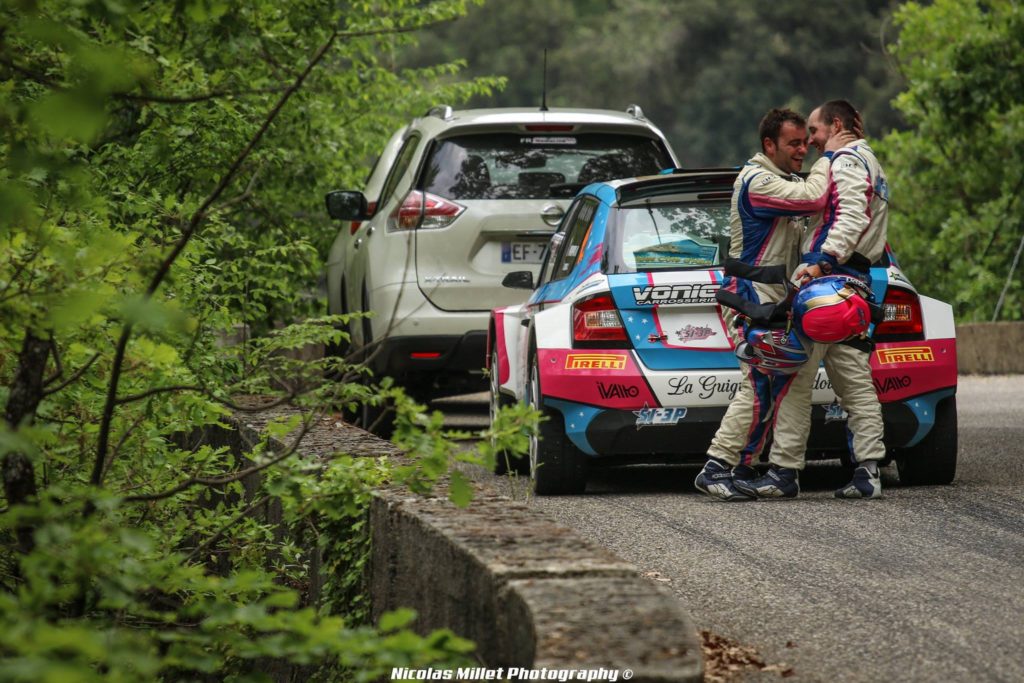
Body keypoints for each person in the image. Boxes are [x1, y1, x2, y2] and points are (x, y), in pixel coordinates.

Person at [694, 108, 853, 501]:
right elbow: (814, 196)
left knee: (787, 382)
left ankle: (776, 471)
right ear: (770, 145)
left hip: (777, 301)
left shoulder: (782, 178)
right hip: (750, 299)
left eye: (806, 141)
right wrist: (829, 158)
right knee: (758, 383)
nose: (803, 149)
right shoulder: (758, 180)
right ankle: (717, 466)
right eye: (794, 143)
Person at [736, 99, 888, 500]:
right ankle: (869, 472)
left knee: (795, 377)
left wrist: (821, 261)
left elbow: (851, 215)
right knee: (855, 379)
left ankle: (784, 472)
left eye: (816, 133)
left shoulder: (846, 160)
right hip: (854, 285)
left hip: (827, 287)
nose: (814, 145)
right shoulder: (872, 161)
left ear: (836, 125)